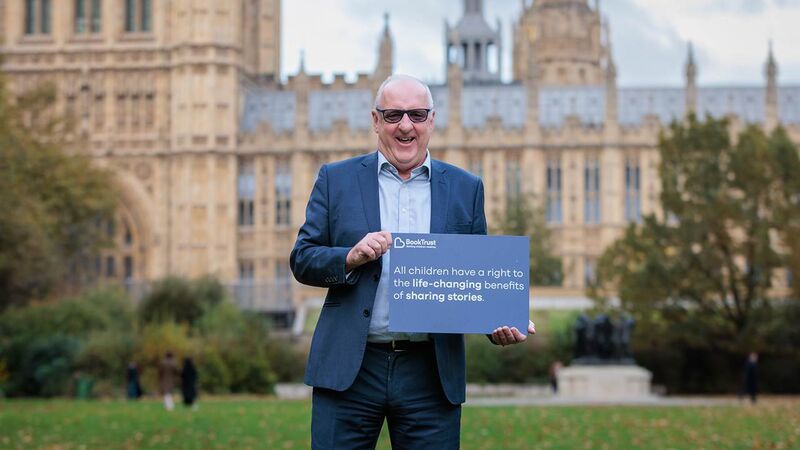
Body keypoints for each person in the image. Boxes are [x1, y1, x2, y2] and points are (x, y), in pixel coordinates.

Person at [290, 74, 536, 449]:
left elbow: (477, 279)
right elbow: (303, 258)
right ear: (376, 121)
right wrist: (350, 258)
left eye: (417, 115)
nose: (406, 125)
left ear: (432, 121)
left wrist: (499, 319)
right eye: (393, 115)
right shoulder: (335, 180)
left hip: (430, 373)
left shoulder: (465, 188)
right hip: (351, 369)